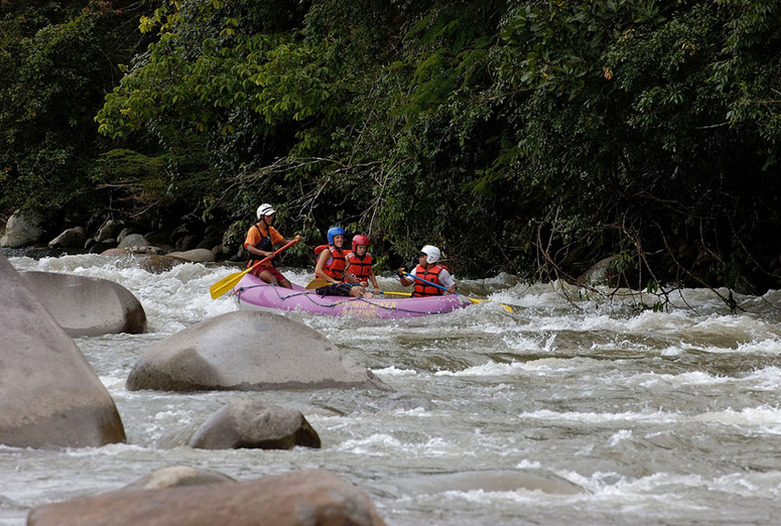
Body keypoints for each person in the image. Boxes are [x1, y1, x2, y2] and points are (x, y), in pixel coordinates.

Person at [243, 203, 299, 289]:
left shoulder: (271, 230)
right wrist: (264, 253)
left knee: (286, 283)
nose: (271, 218)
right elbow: (249, 247)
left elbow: (284, 242)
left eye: (271, 216)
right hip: (256, 265)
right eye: (268, 216)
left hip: (268, 265)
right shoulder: (254, 230)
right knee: (272, 278)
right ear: (262, 217)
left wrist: (295, 241)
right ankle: (276, 300)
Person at [314, 227, 364, 297]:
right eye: (337, 238)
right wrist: (333, 281)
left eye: (342, 238)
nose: (340, 240)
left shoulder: (341, 253)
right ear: (332, 239)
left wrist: (358, 282)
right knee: (356, 291)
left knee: (360, 289)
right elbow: (318, 270)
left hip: (337, 284)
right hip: (325, 286)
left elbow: (343, 273)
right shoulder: (327, 252)